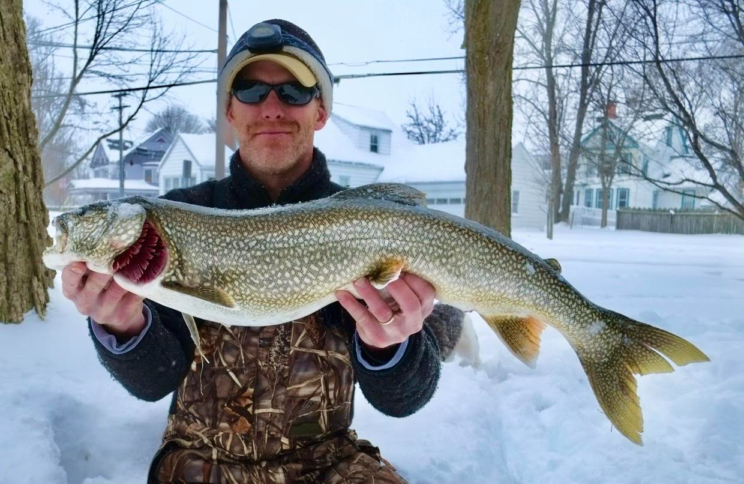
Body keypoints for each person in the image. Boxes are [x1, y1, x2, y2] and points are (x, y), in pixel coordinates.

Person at [60, 19, 465, 483]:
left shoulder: (370, 227)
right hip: (196, 465)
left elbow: (402, 399)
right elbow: (155, 380)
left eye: (293, 91)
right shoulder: (172, 221)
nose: (271, 106)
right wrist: (122, 326)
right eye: (251, 91)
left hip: (330, 465)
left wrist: (394, 345)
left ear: (321, 111)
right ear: (230, 112)